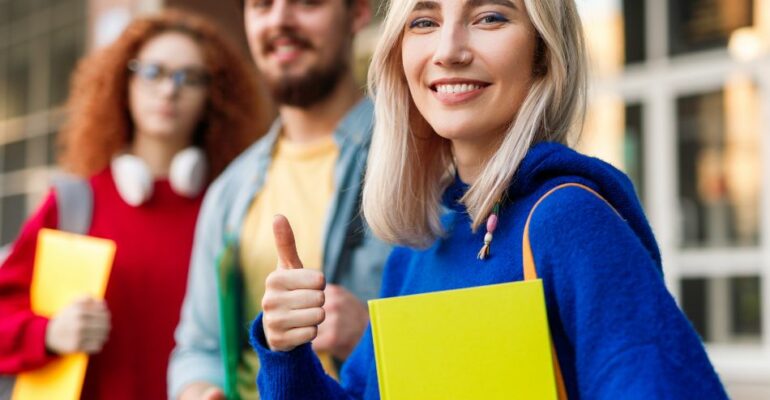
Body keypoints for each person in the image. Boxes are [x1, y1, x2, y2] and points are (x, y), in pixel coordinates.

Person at [250, 0, 729, 398]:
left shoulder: (571, 222)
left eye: (490, 17)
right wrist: (288, 352)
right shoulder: (420, 244)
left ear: (542, 52)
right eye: (424, 22)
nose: (449, 50)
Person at [0, 10, 263, 400]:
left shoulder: (231, 207)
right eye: (152, 72)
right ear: (124, 83)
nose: (169, 90)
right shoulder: (75, 202)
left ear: (214, 96)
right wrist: (48, 333)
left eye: (190, 77)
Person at [168, 0, 391, 398]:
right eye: (262, 5)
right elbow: (198, 349)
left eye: (307, 2)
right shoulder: (228, 191)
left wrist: (374, 338)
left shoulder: (419, 159)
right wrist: (198, 391)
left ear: (357, 12)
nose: (280, 20)